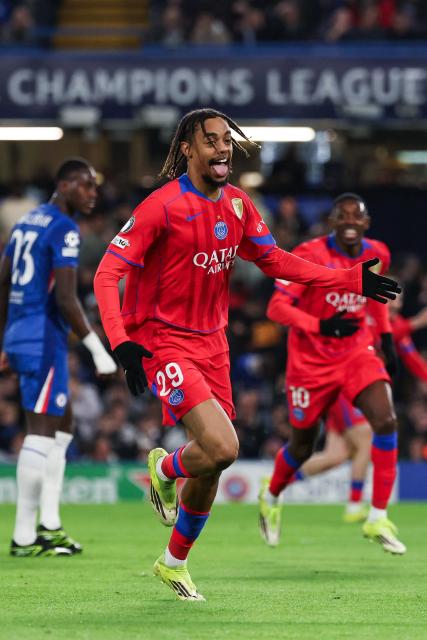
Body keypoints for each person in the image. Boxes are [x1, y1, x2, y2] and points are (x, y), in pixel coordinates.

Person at [93, 110, 399, 601]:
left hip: (214, 344)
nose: (222, 149)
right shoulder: (162, 206)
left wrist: (348, 278)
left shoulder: (238, 205)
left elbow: (275, 259)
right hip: (163, 340)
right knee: (225, 447)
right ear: (188, 150)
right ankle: (167, 468)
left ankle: (173, 561)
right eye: (210, 141)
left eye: (226, 141)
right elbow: (106, 274)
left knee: (212, 463)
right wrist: (121, 342)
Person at [259, 193, 406, 554]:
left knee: (385, 421)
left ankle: (377, 516)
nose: (350, 222)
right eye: (343, 216)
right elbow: (276, 308)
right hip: (310, 363)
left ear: (367, 223)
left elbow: (376, 296)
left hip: (356, 351)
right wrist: (320, 325)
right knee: (303, 445)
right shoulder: (309, 254)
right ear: (332, 222)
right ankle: (271, 494)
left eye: (357, 216)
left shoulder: (379, 253)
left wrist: (385, 338)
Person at [0, 158, 117, 557]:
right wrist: (98, 348)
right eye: (85, 186)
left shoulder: (27, 221)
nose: (92, 194)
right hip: (43, 339)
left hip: (20, 333)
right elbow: (66, 299)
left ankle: (49, 525)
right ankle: (23, 537)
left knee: (61, 423)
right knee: (40, 430)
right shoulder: (64, 229)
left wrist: (4, 339)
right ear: (64, 185)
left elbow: (3, 282)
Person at [284, 295, 427, 523]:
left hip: (357, 392)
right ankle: (354, 505)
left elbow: (412, 359)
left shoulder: (396, 326)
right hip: (345, 389)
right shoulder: (365, 318)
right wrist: (415, 323)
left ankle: (278, 481)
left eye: (399, 303)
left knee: (335, 457)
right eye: (392, 302)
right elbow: (374, 334)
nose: (396, 306)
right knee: (367, 439)